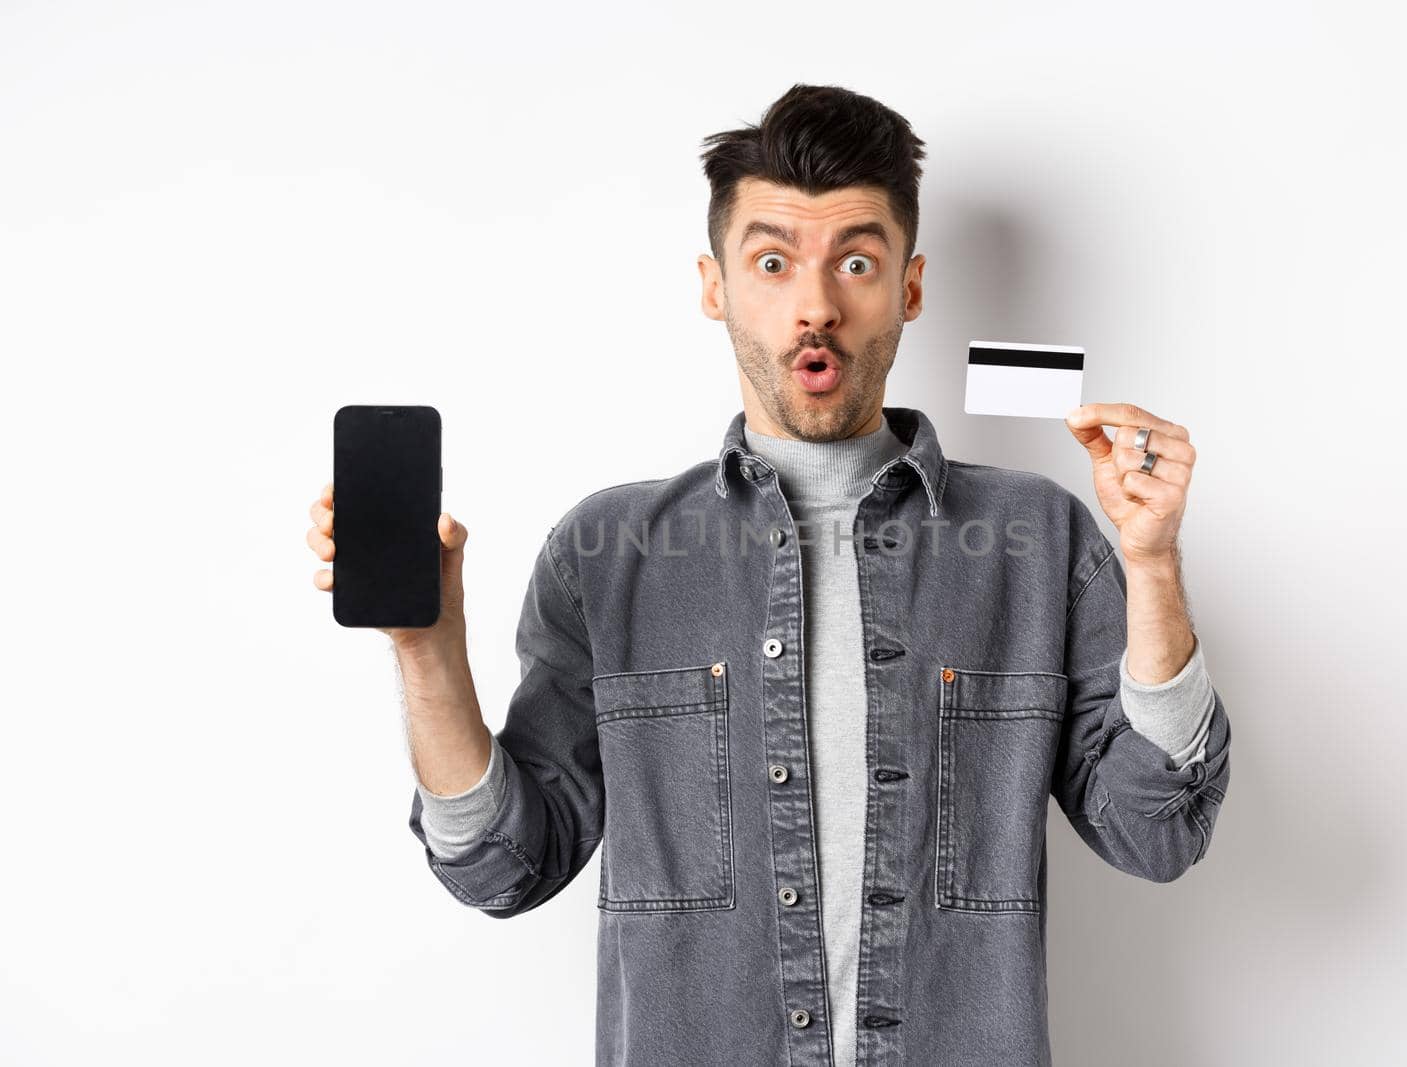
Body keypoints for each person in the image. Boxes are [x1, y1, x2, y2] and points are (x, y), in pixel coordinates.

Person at [305, 82, 1230, 1067]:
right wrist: (426, 648)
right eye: (774, 262)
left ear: (909, 288)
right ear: (715, 286)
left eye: (857, 262)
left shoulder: (1037, 539)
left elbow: (1154, 832)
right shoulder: (609, 551)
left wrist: (1152, 563)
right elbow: (500, 868)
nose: (816, 306)